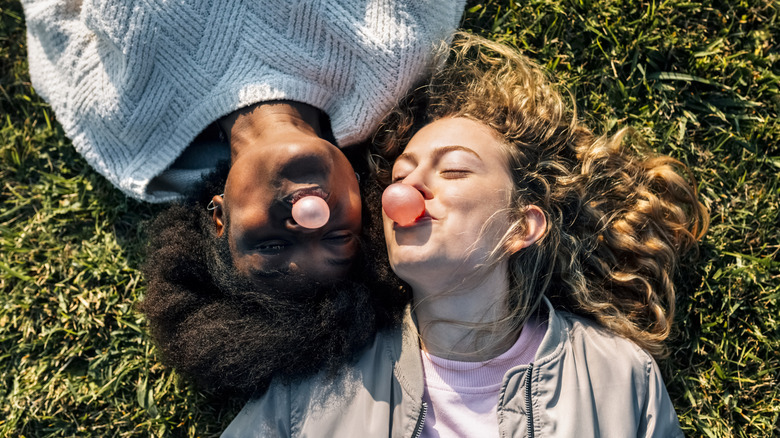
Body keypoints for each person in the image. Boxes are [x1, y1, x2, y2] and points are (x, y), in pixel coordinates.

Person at [221, 33, 709, 437]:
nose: (407, 190)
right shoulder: (317, 380)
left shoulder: (620, 376)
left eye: (453, 170)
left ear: (522, 225)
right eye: (400, 176)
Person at [22, 0, 466, 283]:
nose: (309, 217)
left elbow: (51, 17)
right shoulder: (395, 60)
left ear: (220, 218)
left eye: (272, 247)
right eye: (337, 237)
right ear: (362, 200)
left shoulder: (125, 131)